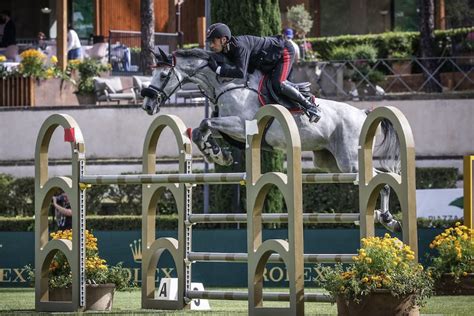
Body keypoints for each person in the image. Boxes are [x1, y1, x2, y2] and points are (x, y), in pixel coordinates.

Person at [206, 23, 320, 123]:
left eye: (213, 42)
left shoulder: (239, 47)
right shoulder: (228, 48)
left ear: (223, 40)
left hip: (283, 51)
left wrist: (218, 70)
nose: (211, 45)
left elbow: (240, 72)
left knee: (279, 83)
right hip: (267, 59)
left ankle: (310, 106)